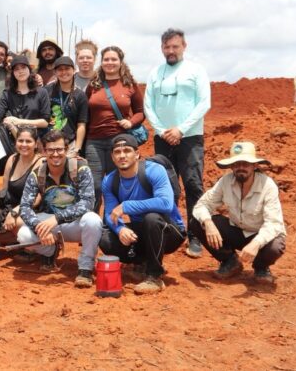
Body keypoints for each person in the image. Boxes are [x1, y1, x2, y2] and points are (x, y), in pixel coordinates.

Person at [144, 28, 211, 259]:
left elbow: (204, 103)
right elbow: (148, 106)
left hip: (190, 137)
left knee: (193, 185)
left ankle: (196, 236)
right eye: (167, 47)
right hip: (163, 138)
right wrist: (162, 131)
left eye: (175, 46)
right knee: (165, 186)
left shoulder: (196, 71)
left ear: (184, 46)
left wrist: (181, 129)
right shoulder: (155, 73)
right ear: (162, 48)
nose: (171, 50)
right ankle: (168, 231)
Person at [99, 134, 186, 295]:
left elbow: (166, 203)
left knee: (151, 218)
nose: (122, 155)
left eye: (127, 150)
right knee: (104, 237)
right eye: (117, 152)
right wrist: (120, 229)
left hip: (169, 230)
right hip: (142, 231)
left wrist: (127, 206)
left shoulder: (154, 170)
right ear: (112, 157)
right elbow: (111, 214)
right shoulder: (110, 180)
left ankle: (154, 276)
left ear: (137, 154)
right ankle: (142, 264)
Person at [191, 142, 286, 284]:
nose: (240, 167)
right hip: (237, 231)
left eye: (245, 164)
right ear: (231, 166)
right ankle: (230, 261)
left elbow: (273, 223)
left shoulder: (267, 185)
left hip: (260, 235)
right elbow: (201, 205)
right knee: (197, 222)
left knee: (275, 247)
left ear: (254, 166)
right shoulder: (225, 181)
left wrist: (256, 243)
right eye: (236, 164)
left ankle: (261, 267)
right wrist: (208, 223)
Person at [17, 130, 101, 286]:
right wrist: (38, 227)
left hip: (75, 223)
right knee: (23, 234)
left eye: (59, 149)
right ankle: (50, 251)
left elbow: (88, 202)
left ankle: (85, 268)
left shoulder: (81, 168)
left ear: (66, 149)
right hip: (49, 222)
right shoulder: (37, 174)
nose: (55, 154)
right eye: (50, 150)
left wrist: (57, 218)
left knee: (94, 220)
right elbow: (25, 207)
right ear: (44, 151)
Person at [85, 46, 145, 211]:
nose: (109, 62)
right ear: (102, 62)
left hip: (118, 142)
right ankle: (93, 222)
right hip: (94, 142)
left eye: (114, 59)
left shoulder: (129, 85)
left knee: (115, 185)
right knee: (94, 186)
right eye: (106, 59)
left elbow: (140, 112)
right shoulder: (93, 85)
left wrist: (130, 122)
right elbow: (85, 112)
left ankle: (112, 222)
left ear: (120, 62)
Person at [0, 55, 49, 173]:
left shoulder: (41, 92)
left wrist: (19, 121)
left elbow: (45, 122)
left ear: (29, 69)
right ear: (13, 73)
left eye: (23, 67)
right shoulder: (8, 93)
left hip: (35, 141)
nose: (20, 71)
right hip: (13, 141)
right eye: (16, 69)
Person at [0, 126, 43, 241]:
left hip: (31, 208)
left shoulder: (41, 163)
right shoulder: (12, 159)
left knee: (13, 226)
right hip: (10, 206)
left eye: (28, 141)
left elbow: (37, 198)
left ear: (36, 144)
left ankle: (33, 244)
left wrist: (15, 212)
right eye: (20, 140)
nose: (24, 144)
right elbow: (4, 190)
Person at [46, 56, 88, 154]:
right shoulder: (46, 91)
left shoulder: (80, 95)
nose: (64, 72)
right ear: (55, 72)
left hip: (69, 145)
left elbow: (81, 124)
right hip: (48, 144)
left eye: (67, 68)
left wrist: (77, 148)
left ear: (74, 70)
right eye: (60, 69)